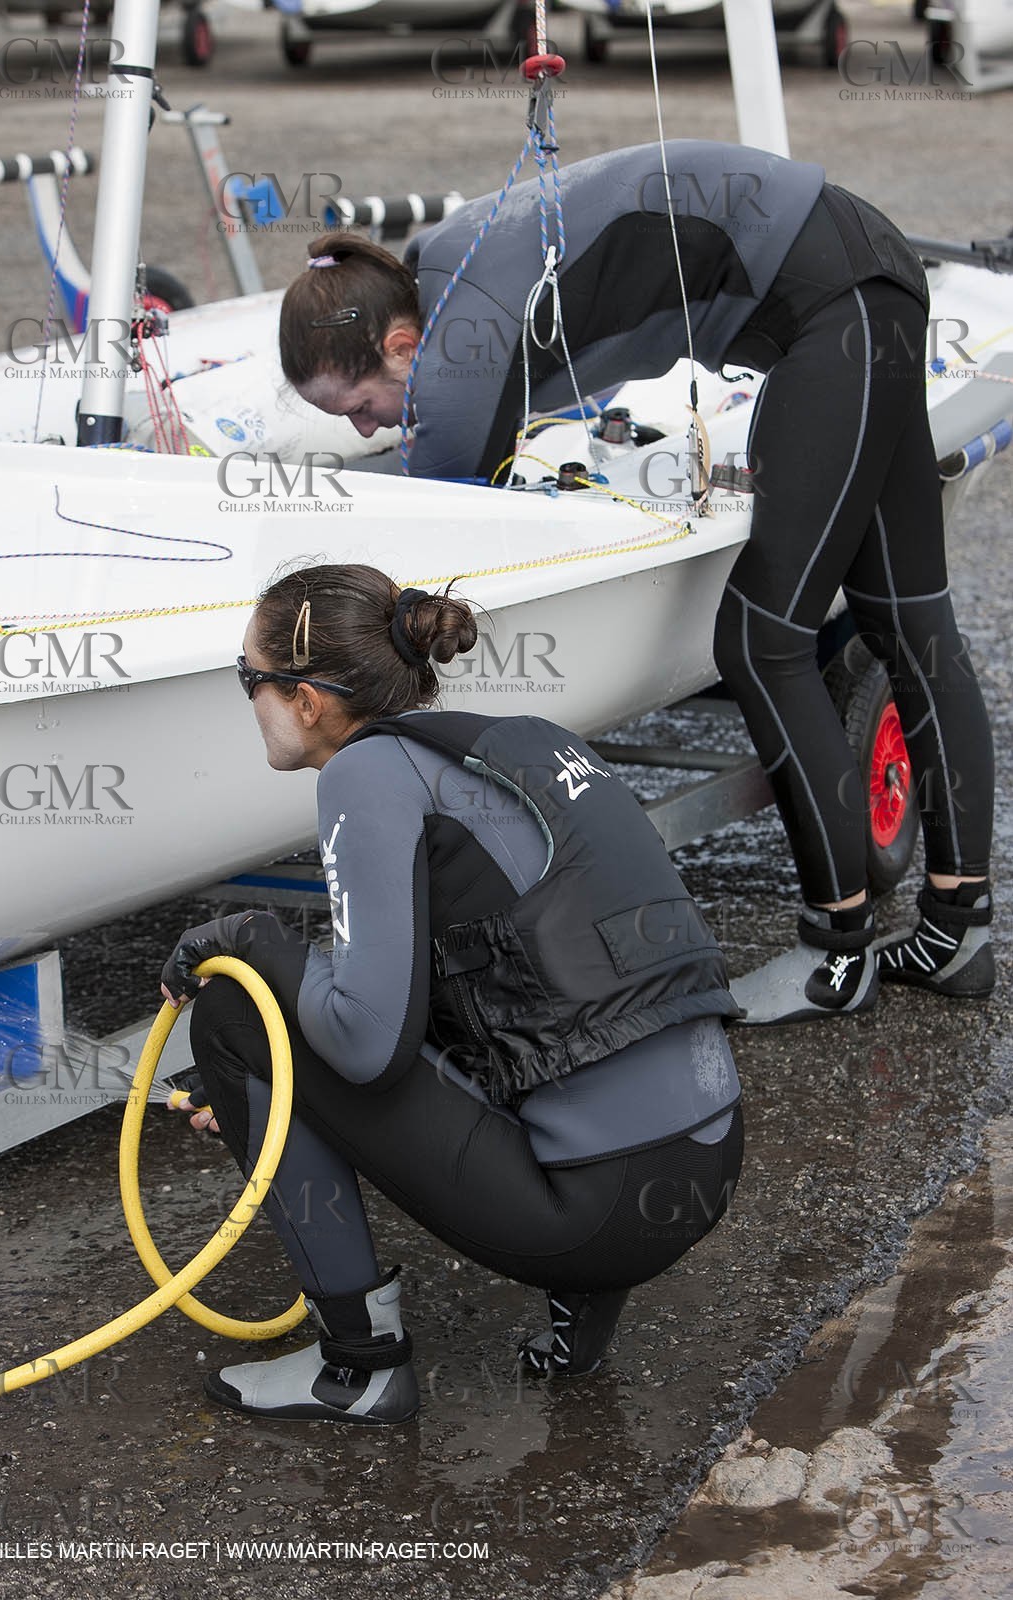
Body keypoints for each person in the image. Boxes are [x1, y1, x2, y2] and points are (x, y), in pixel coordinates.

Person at [276, 140, 995, 1025]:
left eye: (360, 408)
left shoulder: (456, 341)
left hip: (830, 308)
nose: (366, 429)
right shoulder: (441, 269)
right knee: (907, 620)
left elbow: (435, 513)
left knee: (762, 640)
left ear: (399, 343)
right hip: (863, 271)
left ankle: (835, 952)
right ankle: (957, 930)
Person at [161, 563, 743, 1425]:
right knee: (326, 1004)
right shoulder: (516, 742)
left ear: (306, 699)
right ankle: (580, 1308)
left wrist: (249, 939)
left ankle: (359, 1369)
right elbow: (502, 981)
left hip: (595, 1214)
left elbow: (367, 1043)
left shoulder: (363, 777)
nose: (246, 699)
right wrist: (275, 1081)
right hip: (702, 1164)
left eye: (247, 679)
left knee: (235, 1010)